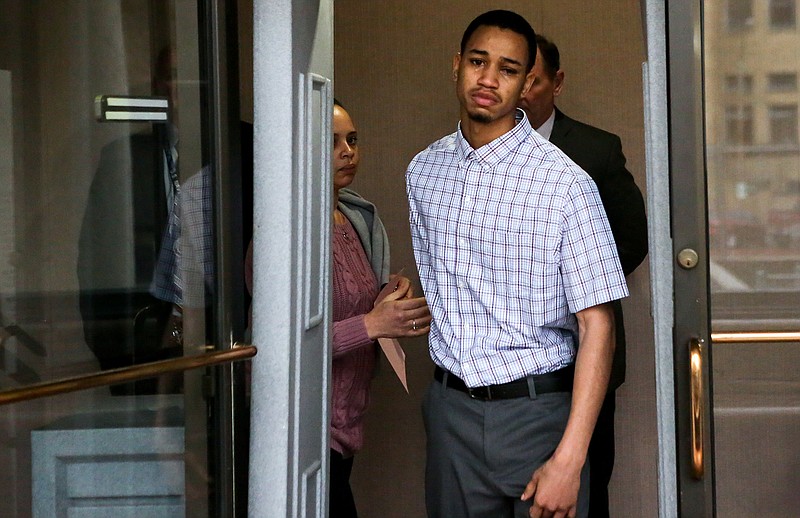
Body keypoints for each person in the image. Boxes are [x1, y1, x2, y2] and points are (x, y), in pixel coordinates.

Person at [405, 10, 628, 518]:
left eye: (507, 69)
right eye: (478, 62)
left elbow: (598, 326)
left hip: (540, 414)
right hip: (451, 412)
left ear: (529, 82)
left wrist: (569, 462)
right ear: (457, 64)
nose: (488, 79)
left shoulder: (566, 184)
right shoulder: (422, 172)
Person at [518, 34, 648, 518]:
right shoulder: (473, 151)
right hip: (502, 370)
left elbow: (632, 242)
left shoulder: (595, 150)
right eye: (515, 75)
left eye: (533, 78)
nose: (523, 90)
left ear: (556, 82)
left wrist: (565, 281)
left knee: (584, 489)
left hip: (581, 350)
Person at [330, 99, 431, 517]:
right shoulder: (289, 231)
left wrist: (387, 297)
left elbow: (350, 300)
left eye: (352, 140)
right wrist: (373, 323)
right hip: (307, 429)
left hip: (348, 420)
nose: (348, 151)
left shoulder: (354, 217)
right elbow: (282, 345)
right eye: (332, 141)